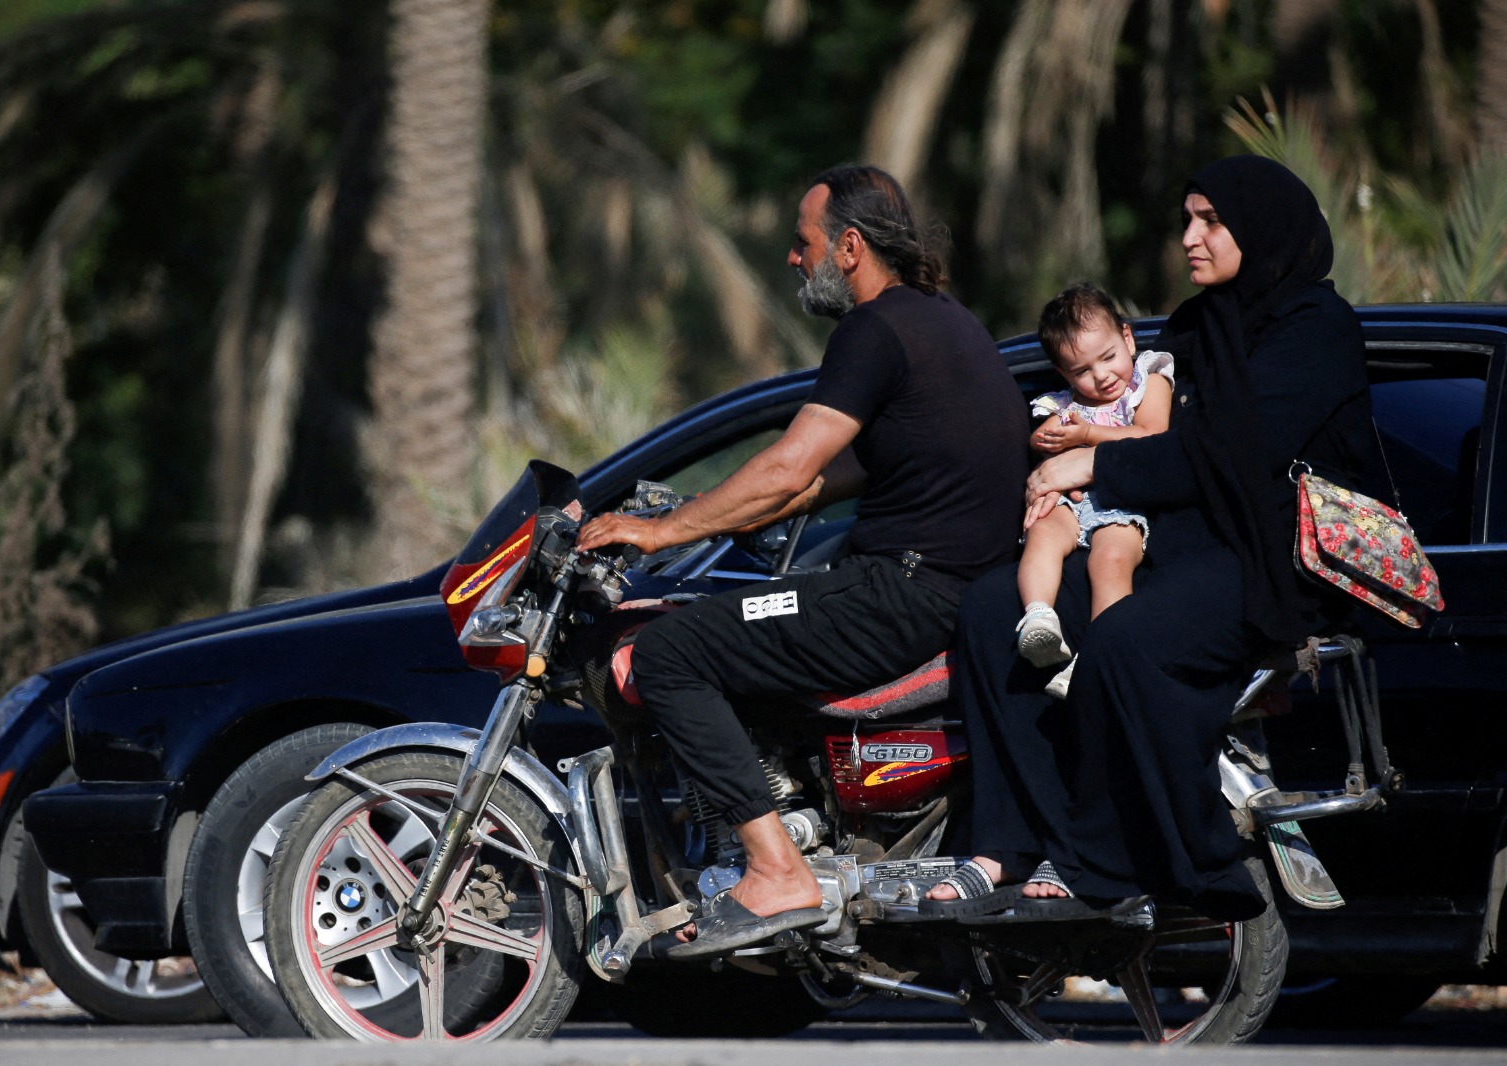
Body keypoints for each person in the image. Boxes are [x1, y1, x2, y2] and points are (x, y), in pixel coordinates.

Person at [576, 164, 1029, 956]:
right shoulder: (946, 320)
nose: (793, 258)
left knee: (670, 650)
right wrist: (707, 513)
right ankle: (797, 841)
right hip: (943, 588)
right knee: (736, 637)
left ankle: (776, 870)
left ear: (849, 248)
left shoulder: (873, 328)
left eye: (803, 241)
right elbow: (829, 478)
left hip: (897, 592)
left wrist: (657, 534)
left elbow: (790, 466)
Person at [922, 154, 1379, 921]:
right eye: (1187, 220)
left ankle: (1111, 859)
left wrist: (1088, 461)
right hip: (1181, 540)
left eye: (1211, 221)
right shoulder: (1200, 328)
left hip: (1269, 558)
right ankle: (1008, 840)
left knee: (1124, 638)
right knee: (995, 607)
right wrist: (1055, 475)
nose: (1189, 239)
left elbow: (1231, 453)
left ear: (1260, 230)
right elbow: (1155, 446)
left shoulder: (1316, 330)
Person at [1015, 284, 1174, 700]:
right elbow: (1038, 439)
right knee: (1042, 534)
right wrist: (1046, 440)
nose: (1101, 376)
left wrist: (1086, 433)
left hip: (1123, 505)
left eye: (1107, 357)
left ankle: (1098, 654)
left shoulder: (1149, 381)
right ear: (1064, 374)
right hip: (1075, 501)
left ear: (1127, 337)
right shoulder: (1063, 403)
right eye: (1081, 371)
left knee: (1110, 560)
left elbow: (1151, 435)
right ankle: (1038, 616)